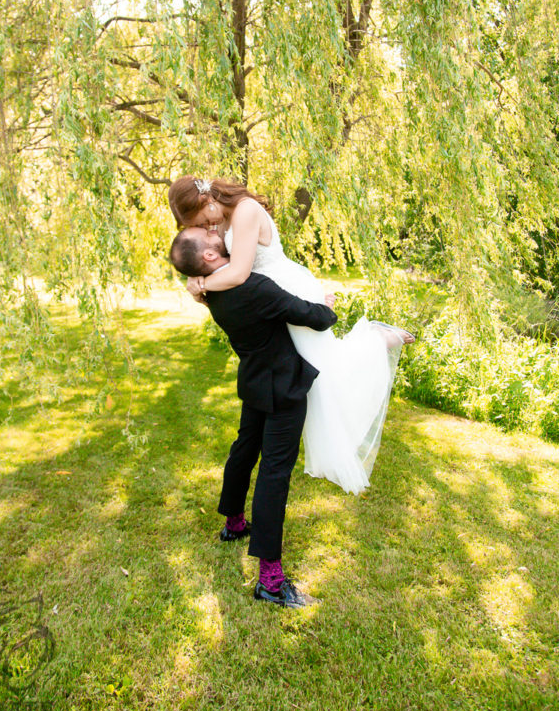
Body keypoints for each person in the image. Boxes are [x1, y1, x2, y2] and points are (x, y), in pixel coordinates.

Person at [168, 175, 414, 494]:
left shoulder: (244, 211)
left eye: (203, 220)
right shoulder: (224, 218)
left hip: (286, 295)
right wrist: (200, 281)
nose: (208, 229)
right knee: (309, 376)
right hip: (270, 303)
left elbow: (240, 272)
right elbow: (225, 268)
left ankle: (377, 340)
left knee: (328, 371)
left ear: (207, 201)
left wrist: (200, 285)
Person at [169, 224, 338, 608]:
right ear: (210, 257)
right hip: (283, 385)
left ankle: (233, 524)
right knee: (275, 474)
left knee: (244, 449)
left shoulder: (212, 292)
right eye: (210, 235)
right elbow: (307, 315)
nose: (218, 232)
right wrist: (326, 307)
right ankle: (271, 581)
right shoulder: (251, 287)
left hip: (255, 380)